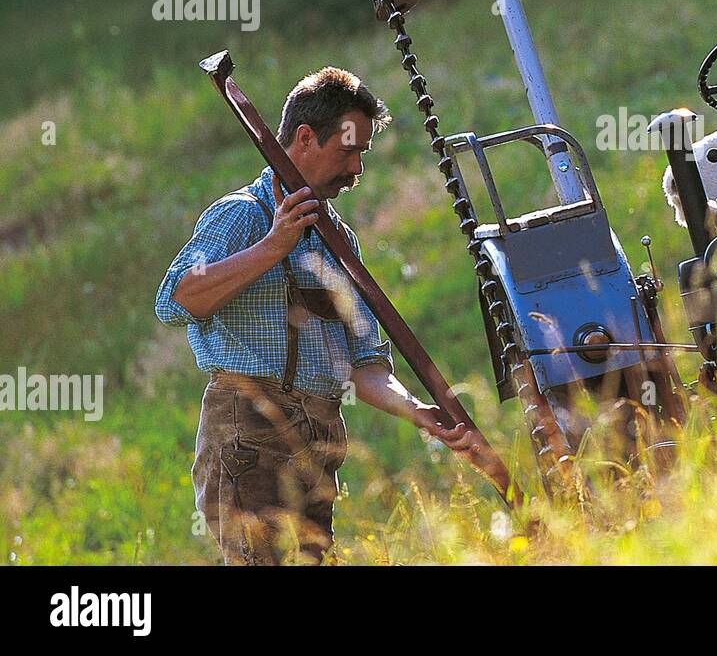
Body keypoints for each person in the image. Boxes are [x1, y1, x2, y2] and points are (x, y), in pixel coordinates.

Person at [156, 65, 482, 564]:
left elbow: (366, 363)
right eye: (348, 151)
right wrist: (273, 245)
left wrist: (422, 415)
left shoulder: (340, 242)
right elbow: (177, 299)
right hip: (249, 431)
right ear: (305, 138)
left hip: (319, 439)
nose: (356, 170)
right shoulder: (244, 214)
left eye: (362, 154)